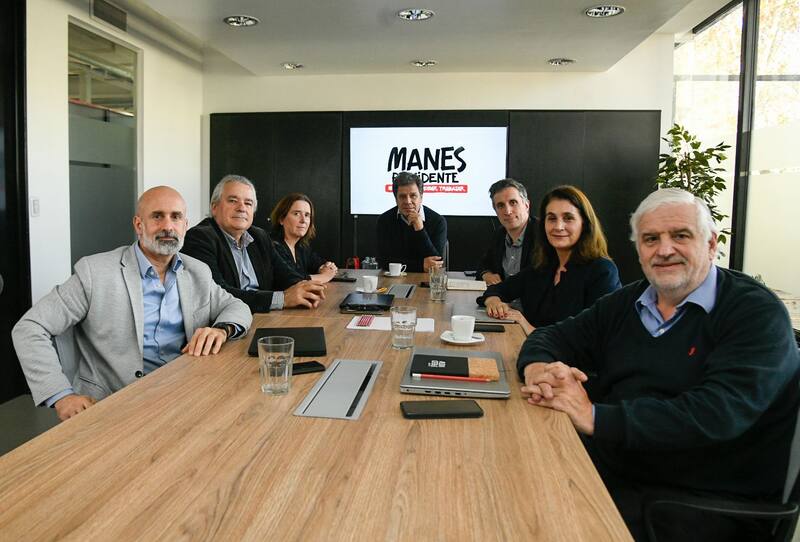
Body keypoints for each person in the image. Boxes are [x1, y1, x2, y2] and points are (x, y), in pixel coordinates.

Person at [517, 188, 800, 541]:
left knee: (531, 521)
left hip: (695, 500)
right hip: (620, 466)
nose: (664, 250)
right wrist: (538, 368)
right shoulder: (629, 301)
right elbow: (552, 337)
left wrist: (594, 416)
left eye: (680, 236)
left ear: (711, 243)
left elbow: (716, 413)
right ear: (638, 250)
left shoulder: (754, 313)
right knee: (511, 475)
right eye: (651, 239)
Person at [12, 186, 252, 421]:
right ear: (139, 225)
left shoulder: (197, 271)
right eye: (157, 216)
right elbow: (30, 328)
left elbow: (237, 307)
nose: (168, 226)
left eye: (176, 217)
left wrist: (222, 329)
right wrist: (61, 395)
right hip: (114, 406)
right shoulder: (95, 272)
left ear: (185, 225)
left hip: (184, 396)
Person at [477, 185, 620, 335]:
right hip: (534, 351)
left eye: (568, 218)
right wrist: (493, 301)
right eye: (551, 218)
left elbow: (598, 336)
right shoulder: (543, 266)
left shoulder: (602, 271)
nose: (558, 226)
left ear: (584, 224)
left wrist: (528, 327)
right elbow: (498, 289)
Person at [183, 175, 327, 312]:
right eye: (233, 200)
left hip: (265, 317)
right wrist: (281, 299)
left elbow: (285, 275)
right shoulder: (199, 238)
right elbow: (217, 295)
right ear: (214, 207)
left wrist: (307, 289)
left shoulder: (259, 236)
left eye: (248, 203)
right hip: (225, 325)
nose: (242, 208)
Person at [376, 172, 447, 273]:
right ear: (396, 199)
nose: (408, 201)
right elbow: (383, 261)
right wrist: (420, 265)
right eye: (402, 196)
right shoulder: (384, 220)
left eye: (413, 196)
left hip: (426, 281)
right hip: (393, 280)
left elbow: (436, 263)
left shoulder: (438, 221)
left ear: (421, 197)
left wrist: (420, 229)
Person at [476, 178, 536, 286]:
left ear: (526, 205)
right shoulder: (500, 234)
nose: (507, 211)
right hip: (502, 301)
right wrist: (486, 274)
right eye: (500, 206)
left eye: (513, 202)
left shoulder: (543, 235)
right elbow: (483, 264)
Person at [269, 193, 337, 283]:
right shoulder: (272, 245)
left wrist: (326, 267)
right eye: (296, 214)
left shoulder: (301, 247)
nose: (303, 220)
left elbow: (318, 263)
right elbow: (290, 280)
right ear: (281, 219)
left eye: (307, 215)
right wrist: (324, 276)